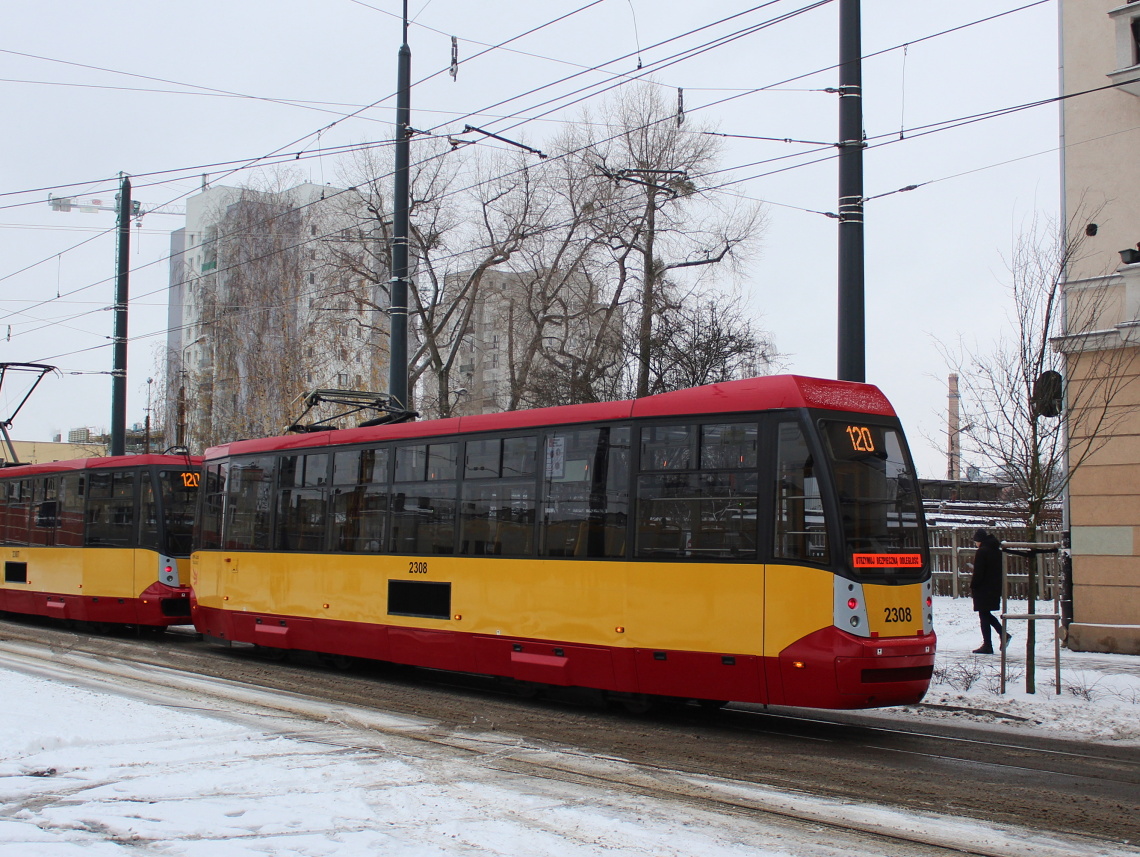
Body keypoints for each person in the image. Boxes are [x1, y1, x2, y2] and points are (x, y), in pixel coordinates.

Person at [970, 528, 1011, 654]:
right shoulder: (996, 550)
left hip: (983, 588)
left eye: (976, 542)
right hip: (994, 587)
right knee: (986, 614)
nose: (976, 544)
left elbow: (979, 572)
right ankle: (1002, 635)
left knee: (984, 615)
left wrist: (973, 585)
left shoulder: (982, 552)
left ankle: (988, 644)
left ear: (979, 540)